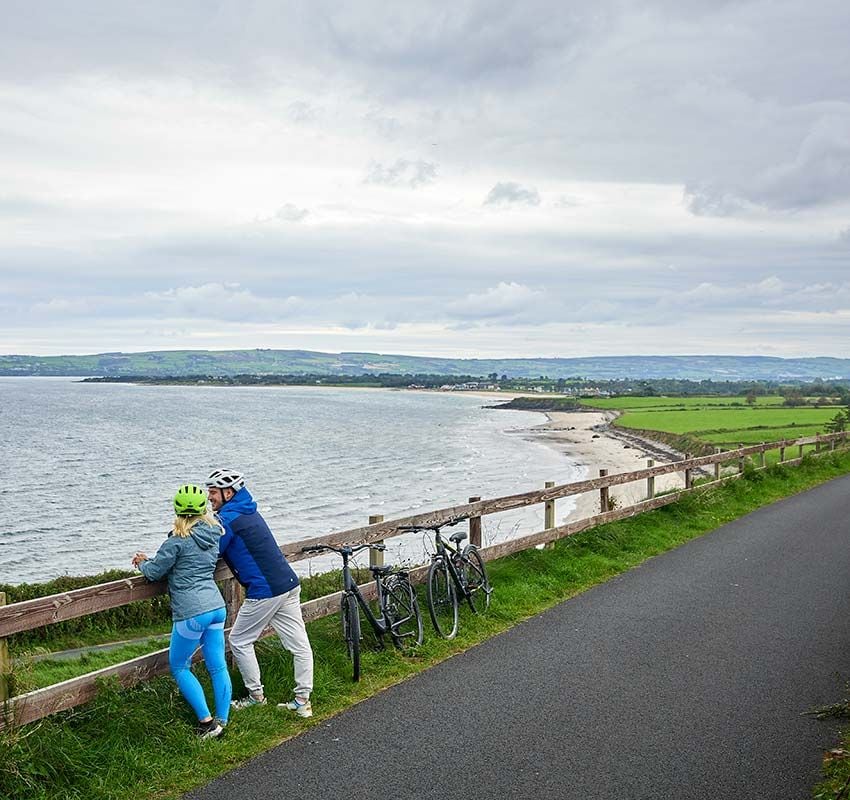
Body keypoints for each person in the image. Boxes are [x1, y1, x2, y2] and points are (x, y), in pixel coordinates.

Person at [205, 468, 314, 718]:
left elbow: (209, 546)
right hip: (287, 583)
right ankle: (302, 701)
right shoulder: (248, 509)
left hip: (265, 591)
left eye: (213, 491)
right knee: (300, 645)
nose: (209, 496)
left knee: (239, 640)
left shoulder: (228, 518)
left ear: (228, 493)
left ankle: (256, 697)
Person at [132, 484, 232, 739]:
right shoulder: (214, 534)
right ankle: (222, 720)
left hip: (191, 613)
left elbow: (155, 572)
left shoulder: (176, 541)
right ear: (202, 509)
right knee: (217, 666)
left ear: (177, 509)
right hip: (216, 607)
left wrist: (142, 562)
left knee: (179, 666)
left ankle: (208, 724)